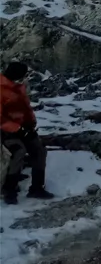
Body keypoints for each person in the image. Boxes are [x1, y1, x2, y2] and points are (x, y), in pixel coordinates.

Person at [1, 61, 53, 204]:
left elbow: (26, 108)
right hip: (6, 131)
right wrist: (19, 130)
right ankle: (9, 189)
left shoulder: (19, 87)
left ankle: (37, 188)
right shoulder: (1, 89)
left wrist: (30, 123)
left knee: (39, 151)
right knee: (19, 151)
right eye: (23, 75)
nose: (25, 78)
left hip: (23, 128)